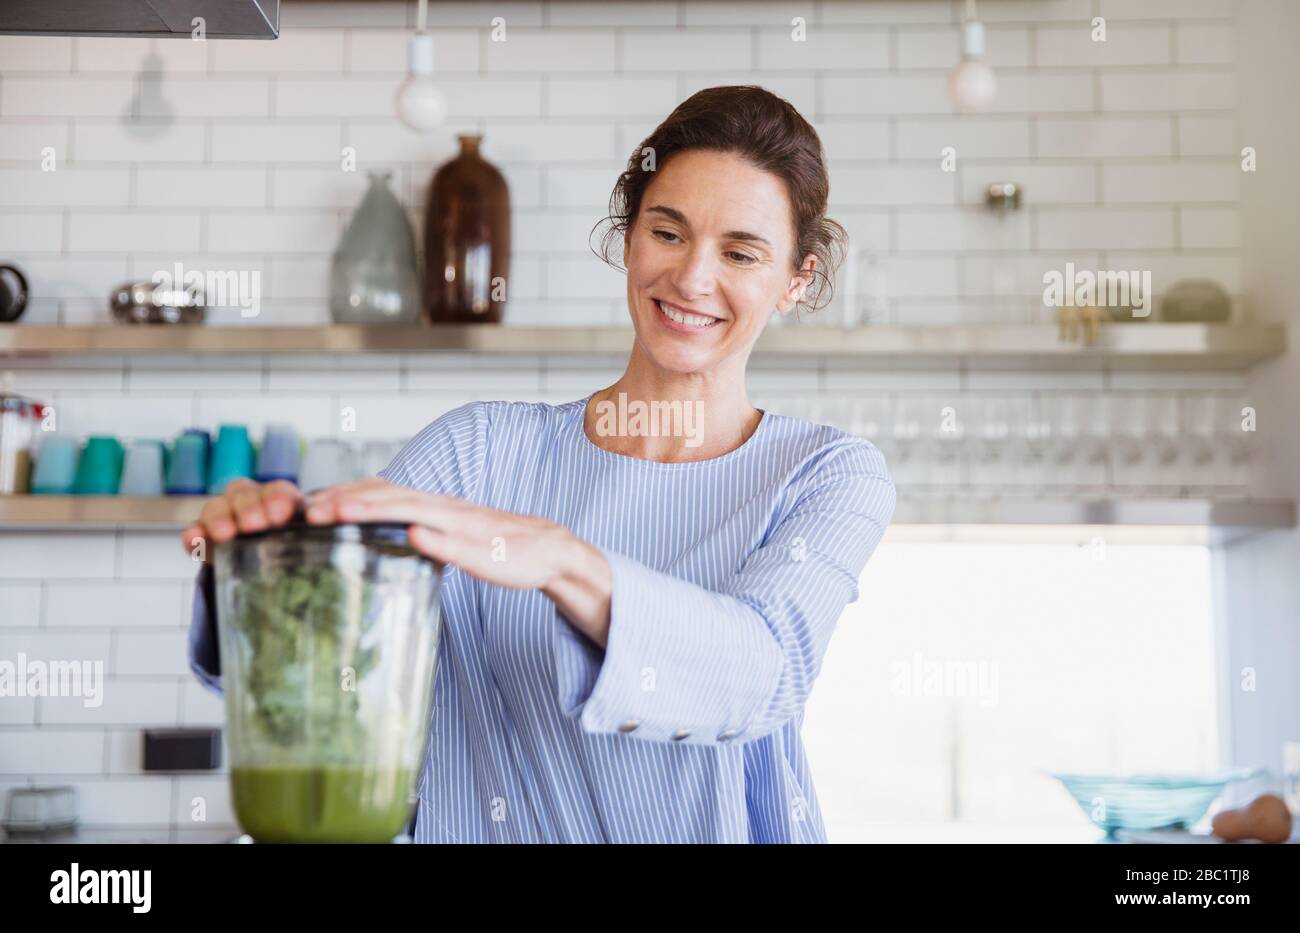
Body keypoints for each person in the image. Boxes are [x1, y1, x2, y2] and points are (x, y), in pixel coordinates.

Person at [182, 85, 896, 843]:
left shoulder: (826, 474)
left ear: (795, 280)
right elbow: (329, 650)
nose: (692, 279)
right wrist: (261, 556)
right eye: (668, 231)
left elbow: (761, 671)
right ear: (629, 240)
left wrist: (563, 561)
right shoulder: (478, 452)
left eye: (741, 252)